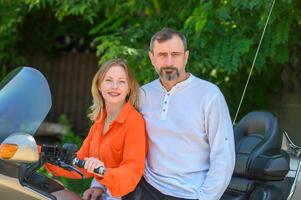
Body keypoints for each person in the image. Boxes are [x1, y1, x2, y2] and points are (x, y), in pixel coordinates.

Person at [124, 28, 235, 200]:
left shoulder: (209, 95)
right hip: (146, 187)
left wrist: (206, 198)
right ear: (152, 58)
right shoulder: (142, 95)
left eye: (175, 54)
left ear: (186, 56)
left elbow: (223, 155)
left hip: (189, 193)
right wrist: (99, 184)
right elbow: (118, 141)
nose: (169, 62)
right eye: (162, 55)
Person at [45, 58, 147, 200]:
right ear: (99, 84)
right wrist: (41, 156)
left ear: (129, 87)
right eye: (109, 80)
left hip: (122, 197)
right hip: (102, 195)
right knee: (47, 193)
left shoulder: (134, 121)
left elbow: (132, 170)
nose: (115, 86)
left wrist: (102, 173)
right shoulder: (99, 121)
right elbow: (80, 162)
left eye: (121, 81)